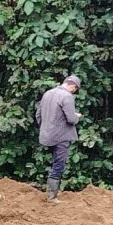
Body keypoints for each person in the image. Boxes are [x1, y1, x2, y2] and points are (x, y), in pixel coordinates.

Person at [36, 75, 83, 204]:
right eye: (75, 89)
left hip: (46, 135)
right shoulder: (67, 97)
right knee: (59, 165)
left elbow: (38, 115)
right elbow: (71, 119)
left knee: (55, 163)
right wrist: (77, 116)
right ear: (73, 86)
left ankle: (51, 193)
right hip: (61, 137)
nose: (74, 92)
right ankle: (52, 197)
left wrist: (45, 128)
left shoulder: (48, 93)